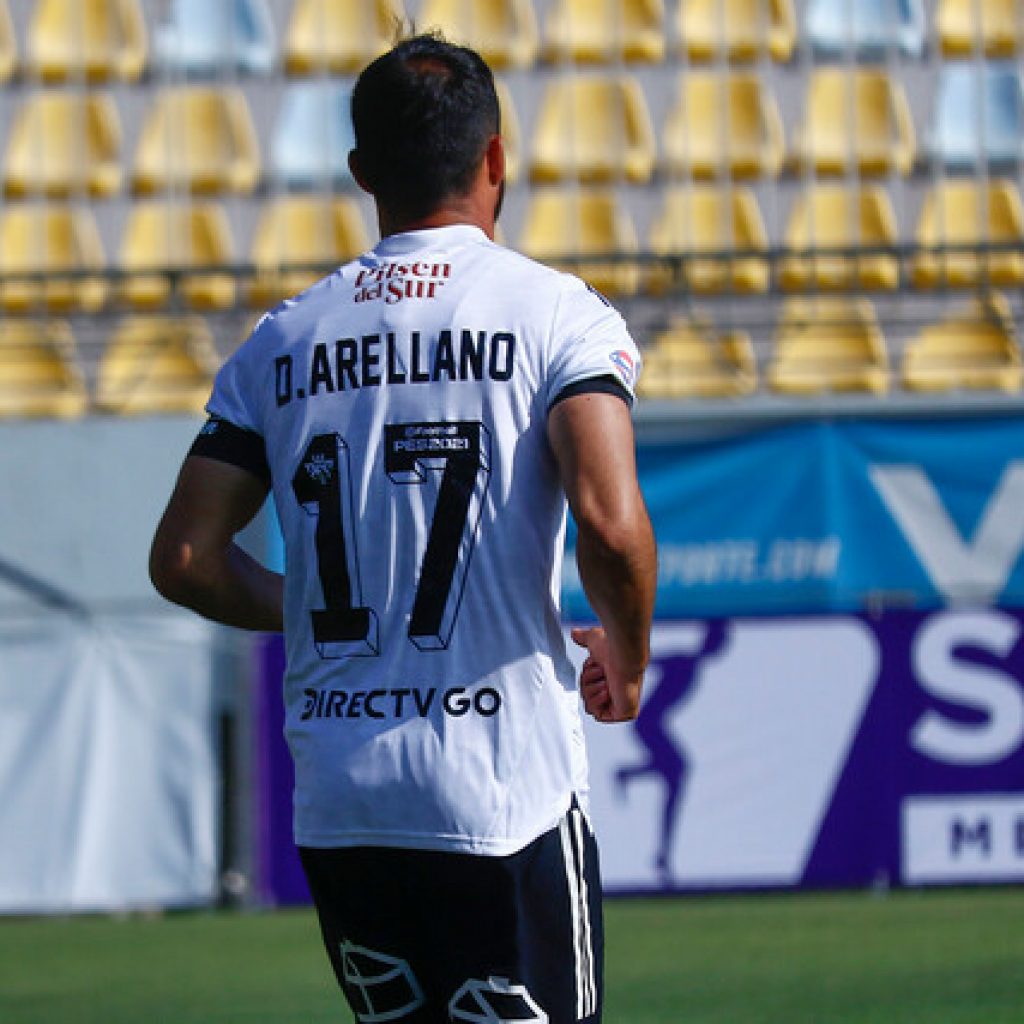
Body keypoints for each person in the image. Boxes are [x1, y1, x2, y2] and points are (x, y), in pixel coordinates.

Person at [149, 33, 656, 1024]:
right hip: (500, 787)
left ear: (360, 174)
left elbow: (185, 556)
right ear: (496, 159)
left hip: (347, 800)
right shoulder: (557, 317)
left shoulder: (282, 339)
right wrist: (626, 655)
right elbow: (609, 520)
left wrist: (312, 612)